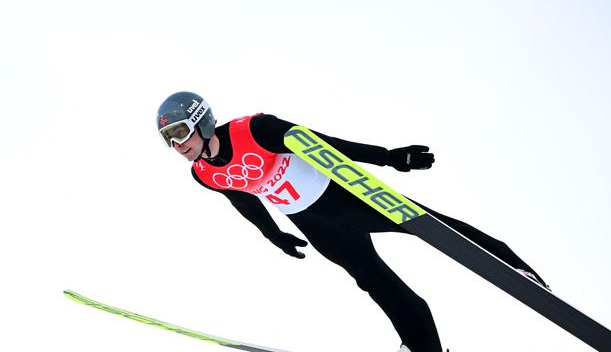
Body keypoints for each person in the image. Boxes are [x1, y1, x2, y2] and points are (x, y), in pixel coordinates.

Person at [156, 91, 549, 352]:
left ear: (201, 121)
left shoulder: (256, 130)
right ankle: (424, 348)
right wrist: (274, 235)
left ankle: (514, 266)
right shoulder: (204, 173)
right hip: (317, 226)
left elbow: (327, 145)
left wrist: (389, 157)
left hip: (346, 198)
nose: (178, 146)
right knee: (379, 286)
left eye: (180, 133)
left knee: (435, 228)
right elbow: (242, 199)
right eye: (168, 140)